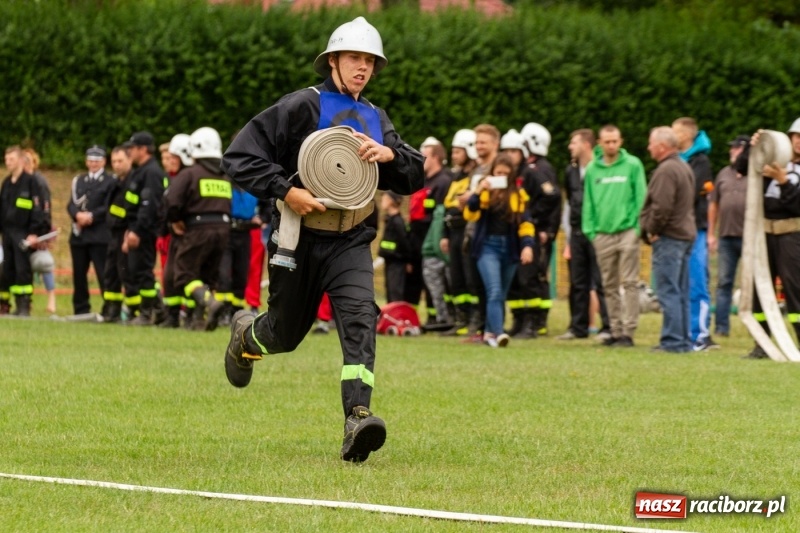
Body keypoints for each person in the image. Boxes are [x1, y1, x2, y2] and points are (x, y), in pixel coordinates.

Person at [221, 17, 424, 462]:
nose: (363, 68)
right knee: (286, 334)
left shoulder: (376, 116)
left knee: (358, 320)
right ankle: (245, 336)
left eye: (370, 61)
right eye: (355, 58)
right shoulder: (300, 106)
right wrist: (287, 190)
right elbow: (239, 157)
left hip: (351, 239)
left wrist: (391, 154)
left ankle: (357, 416)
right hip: (298, 239)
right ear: (333, 60)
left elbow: (415, 172)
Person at [582, 125, 647, 347]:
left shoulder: (632, 165)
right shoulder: (592, 169)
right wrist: (590, 231)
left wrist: (639, 228)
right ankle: (615, 329)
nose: (611, 145)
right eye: (607, 141)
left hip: (628, 231)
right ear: (599, 143)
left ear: (621, 141)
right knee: (608, 284)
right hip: (602, 234)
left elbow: (641, 196)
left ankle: (628, 331)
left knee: (629, 282)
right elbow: (588, 201)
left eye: (615, 141)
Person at [464, 154, 535, 348]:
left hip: (510, 249)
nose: (501, 176)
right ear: (492, 172)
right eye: (498, 172)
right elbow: (470, 213)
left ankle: (488, 333)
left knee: (500, 294)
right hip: (487, 247)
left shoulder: (519, 194)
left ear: (512, 174)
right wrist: (478, 191)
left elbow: (526, 222)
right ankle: (499, 333)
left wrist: (528, 245)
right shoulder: (484, 190)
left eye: (505, 173)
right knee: (494, 290)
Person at [163, 127, 231, 331]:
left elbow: (171, 202)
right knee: (207, 276)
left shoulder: (190, 174)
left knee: (184, 274)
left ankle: (210, 304)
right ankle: (199, 320)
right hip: (224, 230)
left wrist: (175, 220)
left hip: (197, 229)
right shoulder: (223, 176)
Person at [745, 121, 800, 359]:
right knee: (760, 290)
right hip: (765, 234)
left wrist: (783, 180)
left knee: (794, 289)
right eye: (795, 136)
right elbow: (741, 168)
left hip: (792, 235)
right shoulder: (774, 159)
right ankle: (762, 344)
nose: (798, 141)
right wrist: (755, 147)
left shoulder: (784, 170)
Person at [640, 127, 697, 353]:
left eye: (651, 143)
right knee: (680, 290)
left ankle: (673, 341)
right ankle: (682, 340)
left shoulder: (666, 170)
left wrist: (652, 230)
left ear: (662, 146)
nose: (648, 147)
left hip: (670, 237)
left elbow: (661, 207)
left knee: (668, 291)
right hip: (684, 235)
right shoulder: (683, 167)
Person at [507, 125, 561, 338]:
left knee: (529, 277)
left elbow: (552, 196)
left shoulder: (533, 172)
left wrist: (535, 218)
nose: (510, 155)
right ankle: (519, 320)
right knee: (514, 279)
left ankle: (533, 322)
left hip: (529, 232)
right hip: (512, 233)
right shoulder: (508, 173)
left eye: (514, 151)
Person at [557, 129, 612, 341]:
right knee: (577, 282)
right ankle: (577, 327)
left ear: (586, 145)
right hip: (577, 233)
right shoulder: (570, 171)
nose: (570, 147)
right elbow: (570, 203)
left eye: (574, 143)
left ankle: (607, 326)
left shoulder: (601, 168)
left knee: (601, 281)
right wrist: (569, 237)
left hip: (598, 232)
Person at [673, 117, 718, 351]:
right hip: (676, 231)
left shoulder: (701, 162)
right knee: (676, 284)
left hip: (696, 230)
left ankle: (700, 335)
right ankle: (680, 334)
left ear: (687, 135)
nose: (672, 135)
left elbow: (688, 194)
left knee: (697, 281)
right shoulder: (674, 159)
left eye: (676, 131)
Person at [122, 131, 166, 325]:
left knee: (143, 272)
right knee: (137, 270)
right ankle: (159, 309)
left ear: (143, 149)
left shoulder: (151, 172)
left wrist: (137, 231)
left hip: (144, 231)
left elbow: (148, 206)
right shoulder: (141, 170)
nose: (129, 151)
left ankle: (147, 313)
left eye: (132, 148)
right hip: (136, 228)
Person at [708, 134, 749, 337]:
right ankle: (722, 327)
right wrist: (711, 234)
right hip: (726, 237)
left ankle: (756, 326)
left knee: (752, 284)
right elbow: (713, 204)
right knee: (724, 282)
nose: (732, 152)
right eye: (732, 148)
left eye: (737, 148)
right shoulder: (724, 174)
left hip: (750, 239)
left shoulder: (755, 174)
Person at [67, 145, 115, 315]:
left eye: (97, 160)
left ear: (103, 162)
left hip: (99, 235)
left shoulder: (110, 181)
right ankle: (81, 308)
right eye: (90, 160)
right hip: (80, 235)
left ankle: (109, 307)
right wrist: (78, 216)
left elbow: (108, 205)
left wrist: (91, 216)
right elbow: (71, 204)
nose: (93, 164)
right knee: (79, 275)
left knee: (103, 273)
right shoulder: (79, 180)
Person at [0, 146, 49, 315]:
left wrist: (35, 232)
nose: (8, 163)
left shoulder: (31, 182)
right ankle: (5, 304)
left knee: (23, 270)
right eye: (6, 160)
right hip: (7, 233)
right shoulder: (6, 183)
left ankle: (24, 305)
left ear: (21, 160)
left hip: (23, 233)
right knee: (7, 270)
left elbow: (38, 209)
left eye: (11, 159)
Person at [440, 129, 478, 336]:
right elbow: (448, 206)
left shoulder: (475, 177)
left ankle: (474, 320)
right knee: (456, 278)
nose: (454, 155)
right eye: (453, 152)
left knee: (470, 277)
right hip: (453, 231)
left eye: (457, 152)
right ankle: (461, 319)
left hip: (466, 231)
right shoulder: (455, 177)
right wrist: (445, 235)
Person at [159, 134, 195, 328]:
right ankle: (172, 316)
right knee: (169, 275)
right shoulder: (174, 178)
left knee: (185, 275)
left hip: (189, 234)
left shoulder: (189, 177)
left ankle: (191, 315)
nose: (169, 161)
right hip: (174, 234)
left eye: (173, 157)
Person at [418, 137, 453, 327]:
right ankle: (436, 317)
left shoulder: (444, 181)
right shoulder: (426, 181)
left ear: (436, 158)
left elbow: (441, 215)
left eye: (425, 157)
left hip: (438, 240)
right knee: (431, 283)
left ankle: (448, 318)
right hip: (423, 239)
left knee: (444, 281)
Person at [22, 148, 57, 314]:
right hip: (20, 233)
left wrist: (40, 233)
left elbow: (45, 209)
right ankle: (24, 301)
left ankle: (52, 299)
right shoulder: (17, 181)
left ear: (34, 163)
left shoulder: (39, 182)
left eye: (28, 160)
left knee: (44, 263)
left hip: (37, 232)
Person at [101, 146, 133, 323]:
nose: (117, 165)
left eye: (120, 161)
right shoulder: (114, 183)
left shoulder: (132, 182)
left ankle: (133, 311)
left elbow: (130, 211)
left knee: (126, 273)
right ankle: (111, 309)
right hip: (113, 233)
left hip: (126, 233)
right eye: (114, 161)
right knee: (110, 272)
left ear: (129, 160)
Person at [378, 191, 410, 303]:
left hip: (397, 262)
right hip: (390, 260)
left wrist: (407, 261)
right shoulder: (390, 220)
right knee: (389, 290)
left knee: (395, 291)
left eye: (384, 198)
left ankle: (397, 317)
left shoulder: (398, 222)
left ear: (391, 201)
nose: (382, 201)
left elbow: (405, 243)